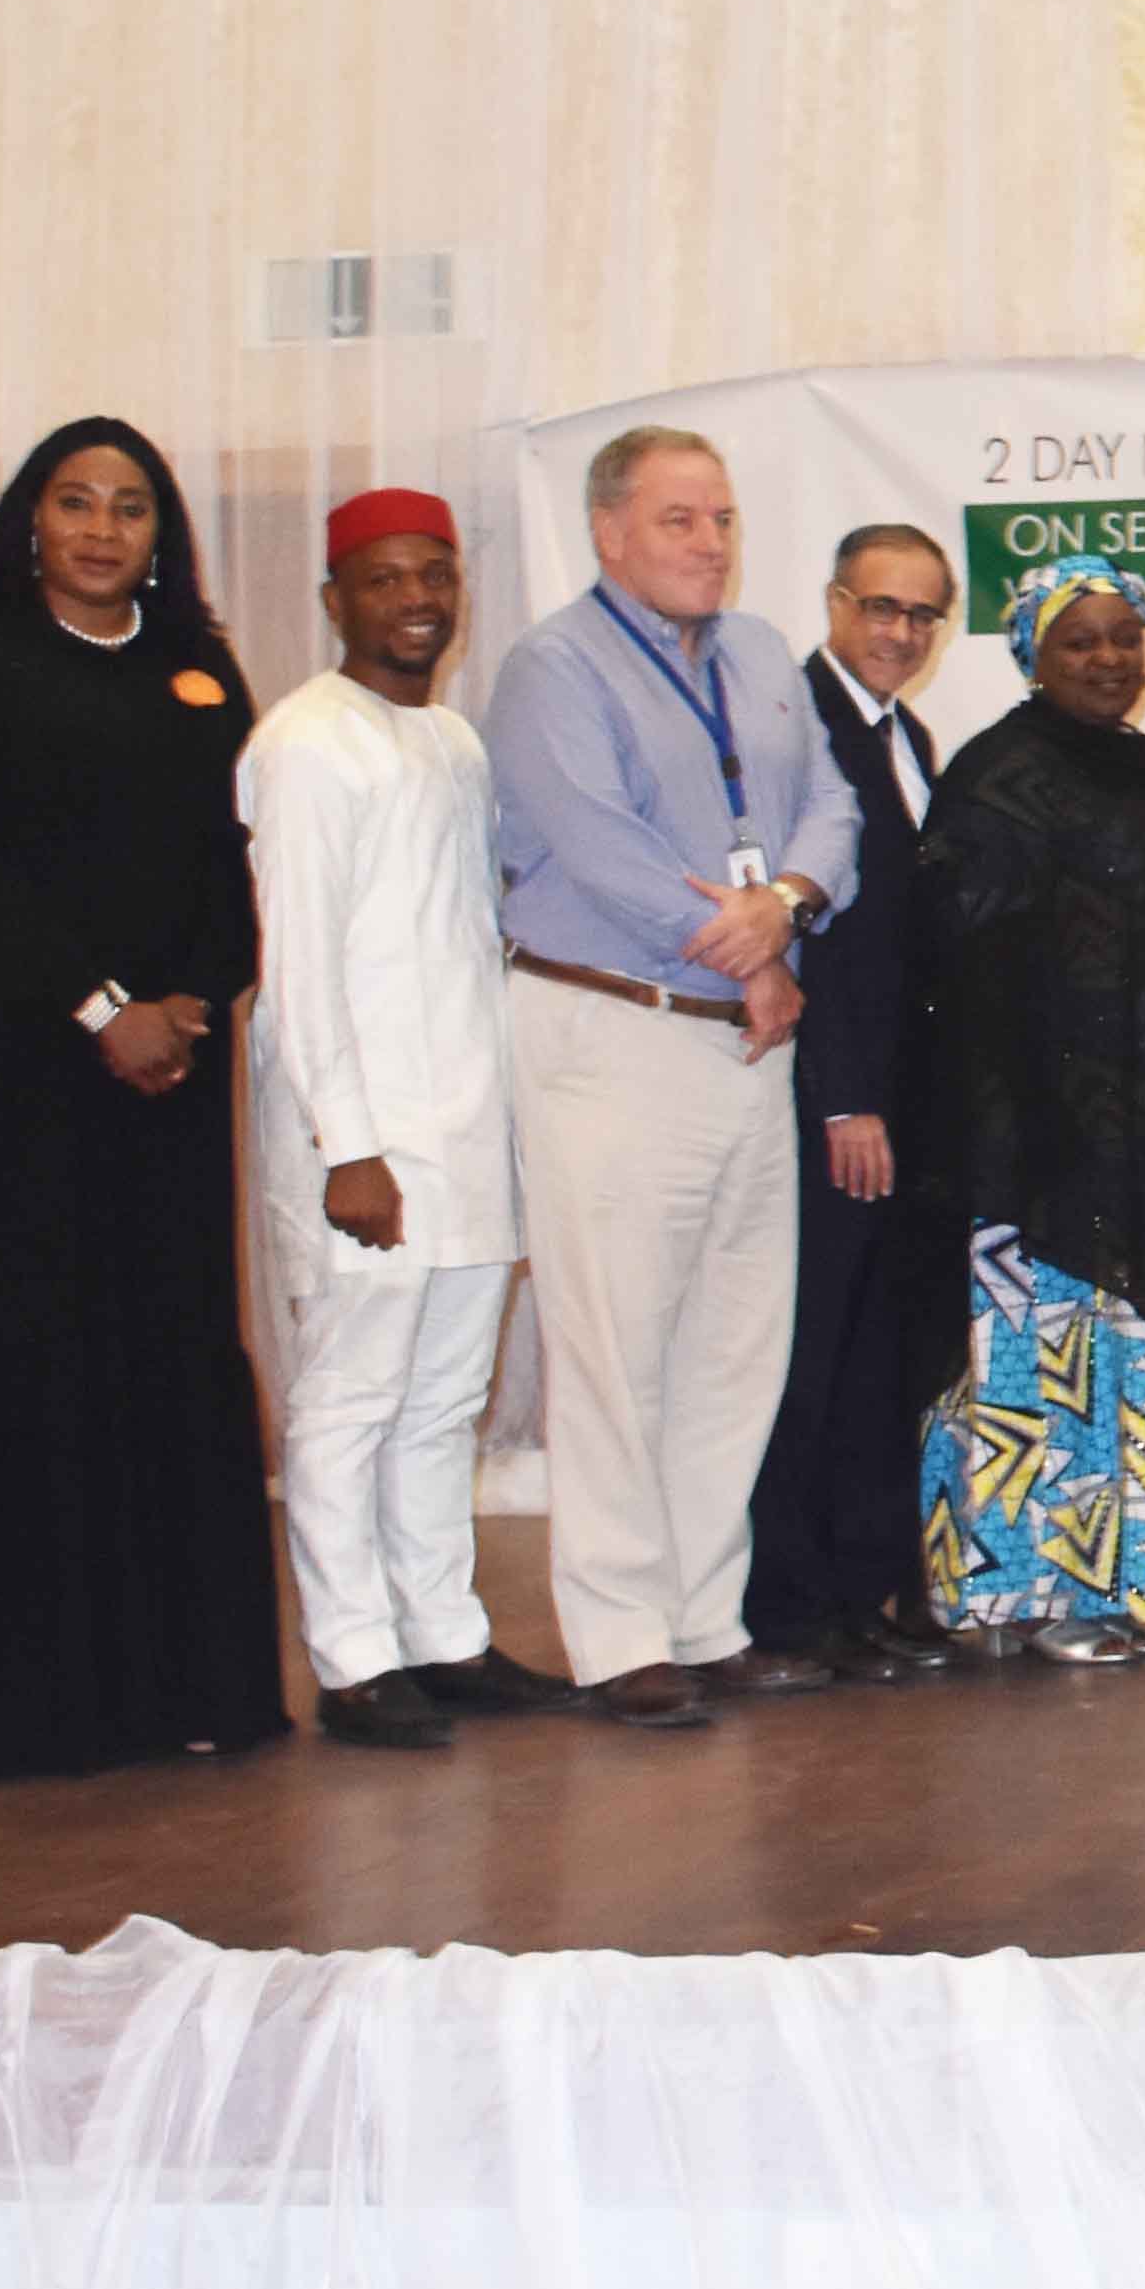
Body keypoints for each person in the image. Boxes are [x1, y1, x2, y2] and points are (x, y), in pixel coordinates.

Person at [0, 420, 290, 1780]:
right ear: (30, 520)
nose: (102, 529)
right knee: (34, 1359)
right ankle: (42, 1712)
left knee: (166, 1352)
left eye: (130, 507)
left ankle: (192, 1685)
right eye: (75, 502)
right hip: (26, 1075)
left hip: (170, 1076)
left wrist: (187, 1002)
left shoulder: (200, 669)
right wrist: (98, 1008)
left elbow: (233, 866)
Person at [481, 425, 863, 1733]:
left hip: (746, 1041)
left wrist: (791, 905)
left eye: (722, 519)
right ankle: (619, 1634)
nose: (708, 543)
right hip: (616, 1027)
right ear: (608, 534)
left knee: (731, 1348)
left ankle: (706, 1622)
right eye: (678, 520)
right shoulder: (553, 670)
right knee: (615, 1347)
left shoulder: (760, 654)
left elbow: (832, 810)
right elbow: (601, 850)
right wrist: (750, 950)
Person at [238, 491, 557, 1753]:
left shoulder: (454, 744)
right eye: (385, 579)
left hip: (468, 1130)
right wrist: (347, 1145)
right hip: (364, 1142)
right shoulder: (308, 743)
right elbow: (299, 966)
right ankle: (353, 1658)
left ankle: (444, 1636)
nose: (417, 600)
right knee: (349, 1401)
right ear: (335, 600)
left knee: (442, 1403)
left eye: (437, 575)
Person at [916, 559, 1145, 1664]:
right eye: (1081, 642)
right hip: (1037, 1140)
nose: (1109, 660)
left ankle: (1133, 1582)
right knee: (1036, 1361)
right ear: (1032, 655)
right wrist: (1023, 1117)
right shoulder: (994, 778)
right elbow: (966, 972)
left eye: (1124, 639)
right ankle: (1030, 1596)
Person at [755, 523, 963, 1684]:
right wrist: (843, 1100)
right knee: (816, 1350)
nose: (899, 631)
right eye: (881, 607)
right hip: (838, 1104)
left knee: (883, 1345)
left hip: (908, 1103)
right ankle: (792, 1602)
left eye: (922, 615)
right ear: (836, 602)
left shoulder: (908, 734)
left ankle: (863, 1588)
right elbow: (808, 934)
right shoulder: (792, 723)